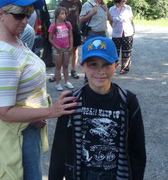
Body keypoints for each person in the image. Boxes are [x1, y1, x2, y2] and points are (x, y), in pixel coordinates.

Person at [0, 0, 78, 180]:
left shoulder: (8, 42)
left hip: (27, 125)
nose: (24, 21)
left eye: (28, 14)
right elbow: (4, 112)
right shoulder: (4, 56)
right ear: (1, 14)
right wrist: (52, 111)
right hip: (18, 134)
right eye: (18, 15)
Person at [49, 36, 146, 180]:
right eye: (93, 64)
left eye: (107, 64)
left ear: (116, 65)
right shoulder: (71, 101)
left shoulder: (128, 102)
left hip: (117, 175)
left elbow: (137, 150)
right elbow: (59, 149)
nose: (100, 71)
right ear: (82, 66)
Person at [58, 0, 82, 79]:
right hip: (64, 30)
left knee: (75, 50)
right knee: (63, 51)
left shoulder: (78, 3)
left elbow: (81, 15)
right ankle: (59, 72)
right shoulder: (62, 3)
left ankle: (73, 70)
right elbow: (58, 17)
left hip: (75, 29)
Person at [48, 6, 74, 91]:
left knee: (66, 65)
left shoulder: (68, 24)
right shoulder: (53, 26)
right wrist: (56, 47)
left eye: (65, 13)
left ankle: (67, 81)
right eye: (62, 13)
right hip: (58, 49)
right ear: (57, 15)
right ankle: (58, 83)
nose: (64, 15)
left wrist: (71, 46)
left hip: (66, 48)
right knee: (58, 66)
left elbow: (70, 36)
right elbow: (50, 39)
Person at [109, 0, 135, 74]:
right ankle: (114, 68)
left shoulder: (128, 8)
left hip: (128, 33)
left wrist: (133, 29)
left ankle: (125, 68)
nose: (125, 0)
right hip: (116, 33)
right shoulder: (112, 9)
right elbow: (110, 21)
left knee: (127, 52)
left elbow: (131, 20)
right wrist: (115, 28)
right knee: (115, 52)